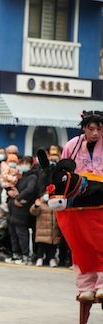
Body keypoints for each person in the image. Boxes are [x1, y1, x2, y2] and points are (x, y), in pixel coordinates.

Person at [61, 111, 103, 301]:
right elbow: (62, 174)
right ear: (84, 128)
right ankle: (85, 286)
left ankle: (101, 284)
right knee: (81, 246)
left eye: (99, 129)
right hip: (78, 204)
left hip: (100, 203)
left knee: (100, 244)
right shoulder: (72, 146)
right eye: (91, 128)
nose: (95, 133)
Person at [5, 156, 38, 265]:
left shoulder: (32, 177)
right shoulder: (19, 176)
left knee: (21, 233)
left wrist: (18, 198)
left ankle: (25, 255)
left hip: (23, 208)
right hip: (12, 209)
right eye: (22, 162)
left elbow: (30, 190)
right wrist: (9, 192)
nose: (23, 165)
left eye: (26, 163)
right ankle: (16, 254)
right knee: (13, 232)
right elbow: (9, 187)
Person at [30, 191, 61, 267]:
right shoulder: (41, 205)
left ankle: (52, 259)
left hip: (53, 230)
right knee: (41, 245)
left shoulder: (56, 205)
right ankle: (39, 258)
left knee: (52, 246)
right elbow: (33, 212)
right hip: (42, 229)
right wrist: (36, 206)